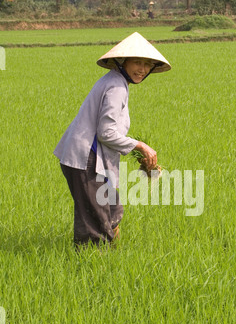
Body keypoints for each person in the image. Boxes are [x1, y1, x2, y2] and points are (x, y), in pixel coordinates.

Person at [53, 32, 171, 250]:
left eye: (147, 64)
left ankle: (107, 250)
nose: (142, 69)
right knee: (95, 220)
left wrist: (129, 156)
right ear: (122, 61)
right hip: (84, 158)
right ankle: (93, 262)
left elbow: (109, 135)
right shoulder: (116, 86)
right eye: (137, 62)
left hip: (90, 156)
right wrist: (140, 145)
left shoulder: (116, 82)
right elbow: (106, 133)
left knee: (112, 209)